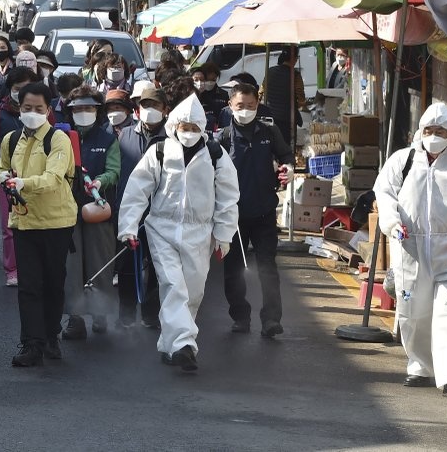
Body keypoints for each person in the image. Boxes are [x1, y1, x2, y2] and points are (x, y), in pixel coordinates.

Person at [373, 103, 447, 402]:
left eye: (440, 131)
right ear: (419, 132)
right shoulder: (404, 159)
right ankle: (421, 366)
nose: (434, 136)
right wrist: (392, 223)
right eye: (429, 131)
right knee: (414, 312)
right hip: (410, 246)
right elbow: (384, 194)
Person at [119, 94, 240, 370]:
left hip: (200, 233)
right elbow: (137, 189)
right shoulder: (159, 151)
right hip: (161, 228)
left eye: (194, 127)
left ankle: (170, 343)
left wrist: (224, 234)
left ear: (203, 127)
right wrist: (128, 226)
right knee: (173, 285)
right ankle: (185, 344)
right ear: (174, 125)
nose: (188, 132)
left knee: (193, 291)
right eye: (184, 126)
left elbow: (228, 196)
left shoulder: (215, 154)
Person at [0, 82, 78, 367]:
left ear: (48, 110)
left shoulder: (58, 140)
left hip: (57, 222)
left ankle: (51, 335)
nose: (32, 113)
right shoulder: (10, 139)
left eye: (38, 108)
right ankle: (32, 343)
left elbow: (54, 178)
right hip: (24, 221)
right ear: (19, 108)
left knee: (53, 283)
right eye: (27, 108)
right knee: (29, 285)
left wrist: (22, 183)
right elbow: (1, 166)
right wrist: (2, 176)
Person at [217, 82, 295, 338]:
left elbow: (286, 156)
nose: (246, 110)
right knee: (234, 271)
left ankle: (272, 319)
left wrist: (288, 169)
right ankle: (240, 316)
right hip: (233, 218)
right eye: (240, 106)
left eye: (251, 106)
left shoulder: (269, 132)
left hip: (264, 214)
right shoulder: (222, 138)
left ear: (257, 105)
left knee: (267, 268)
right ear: (230, 105)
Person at [62, 87, 121, 340]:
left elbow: (115, 170)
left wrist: (100, 182)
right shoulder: (62, 138)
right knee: (72, 266)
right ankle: (75, 318)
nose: (83, 113)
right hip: (67, 209)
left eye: (88, 108)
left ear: (97, 111)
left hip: (98, 208)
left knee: (100, 262)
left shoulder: (108, 139)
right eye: (78, 108)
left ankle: (100, 313)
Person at [115, 83, 169, 328]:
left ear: (165, 109)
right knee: (126, 267)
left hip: (159, 214)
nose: (149, 110)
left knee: (157, 267)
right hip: (131, 213)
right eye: (145, 105)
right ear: (137, 109)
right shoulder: (125, 134)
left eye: (155, 105)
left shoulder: (172, 138)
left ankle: (151, 314)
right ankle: (125, 316)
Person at [0, 66, 42, 287]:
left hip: (37, 178)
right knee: (10, 226)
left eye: (26, 87)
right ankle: (12, 269)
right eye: (17, 88)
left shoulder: (43, 113)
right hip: (7, 177)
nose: (21, 92)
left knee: (37, 223)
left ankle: (34, 266)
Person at [260, 48, 307, 147]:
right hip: (287, 119)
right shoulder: (295, 75)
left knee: (272, 145)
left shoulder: (270, 71)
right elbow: (301, 97)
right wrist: (301, 105)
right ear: (294, 59)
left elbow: (260, 92)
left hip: (270, 117)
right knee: (286, 146)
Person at [192, 62, 229, 131]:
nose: (210, 82)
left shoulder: (223, 94)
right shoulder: (195, 95)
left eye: (213, 80)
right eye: (207, 80)